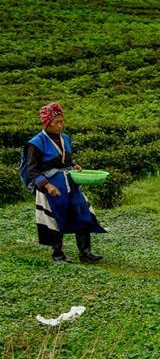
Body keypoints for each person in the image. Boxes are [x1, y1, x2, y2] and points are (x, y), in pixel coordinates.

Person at [22, 102, 105, 263]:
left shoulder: (65, 138)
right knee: (55, 217)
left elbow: (65, 158)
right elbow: (32, 170)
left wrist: (74, 165)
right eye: (56, 122)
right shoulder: (36, 143)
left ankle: (85, 252)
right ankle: (58, 253)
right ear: (46, 123)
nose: (60, 125)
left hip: (69, 183)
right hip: (50, 186)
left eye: (62, 121)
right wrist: (47, 185)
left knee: (82, 210)